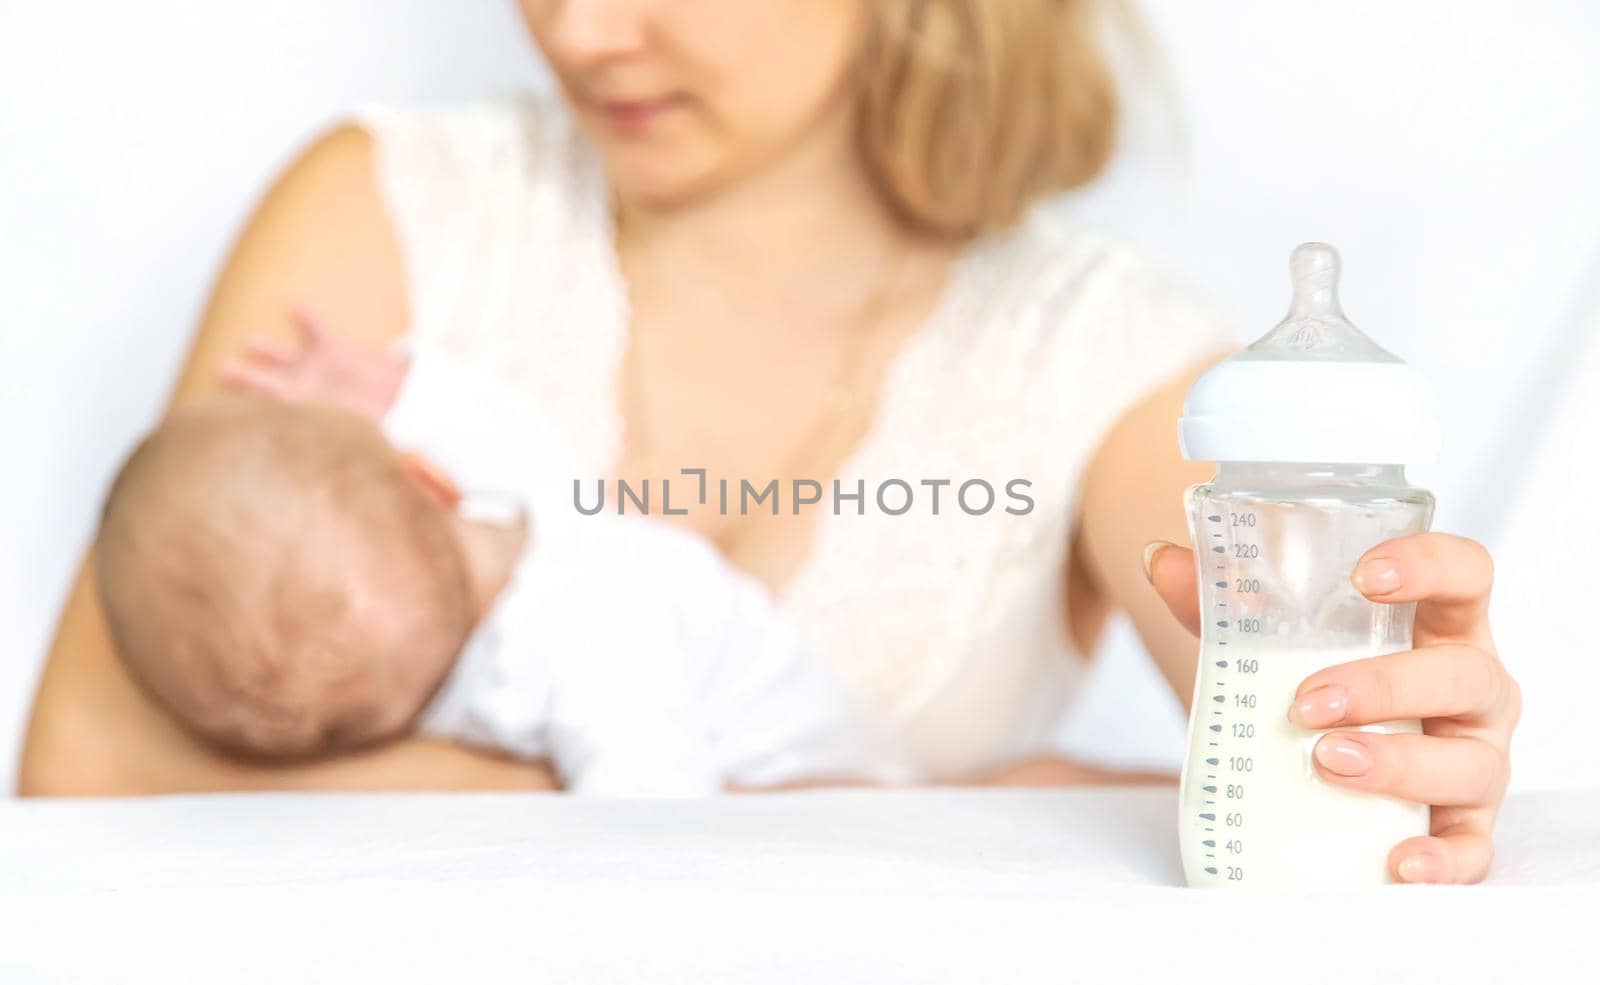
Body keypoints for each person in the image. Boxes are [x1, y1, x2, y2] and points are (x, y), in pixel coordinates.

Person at [19, 0, 1518, 884]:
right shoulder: (387, 210)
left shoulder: (1103, 359)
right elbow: (81, 778)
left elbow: (1320, 747)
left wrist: (1403, 743)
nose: (578, 30)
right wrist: (905, 824)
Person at [93, 347, 900, 793]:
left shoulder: (556, 615)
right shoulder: (544, 564)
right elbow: (650, 803)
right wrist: (380, 401)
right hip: (799, 771)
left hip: (822, 764)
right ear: (429, 479)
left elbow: (506, 441)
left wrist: (403, 395)